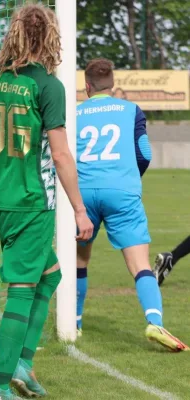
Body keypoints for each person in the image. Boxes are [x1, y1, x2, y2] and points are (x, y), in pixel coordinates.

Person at [0, 4, 94, 399]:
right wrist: (79, 209)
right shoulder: (49, 86)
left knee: (51, 274)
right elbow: (60, 155)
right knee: (22, 288)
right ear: (50, 37)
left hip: (4, 198)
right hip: (32, 201)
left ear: (15, 34)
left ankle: (22, 362)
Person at [75, 58, 188, 352]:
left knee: (80, 260)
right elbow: (144, 153)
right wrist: (126, 178)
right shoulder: (131, 110)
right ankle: (154, 322)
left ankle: (73, 324)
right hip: (122, 192)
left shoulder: (74, 113)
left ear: (87, 86)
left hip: (83, 192)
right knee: (139, 265)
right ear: (112, 85)